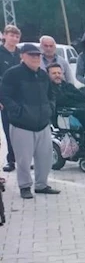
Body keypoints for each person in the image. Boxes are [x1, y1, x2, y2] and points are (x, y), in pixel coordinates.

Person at [0, 44, 59, 199]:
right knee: (23, 159)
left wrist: (49, 109)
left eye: (37, 55)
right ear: (22, 56)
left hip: (42, 123)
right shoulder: (12, 74)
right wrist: (17, 111)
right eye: (31, 55)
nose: (35, 58)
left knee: (45, 157)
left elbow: (51, 94)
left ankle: (41, 185)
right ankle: (25, 186)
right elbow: (4, 95)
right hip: (22, 125)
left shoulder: (43, 75)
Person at [47, 62, 85, 151]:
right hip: (64, 114)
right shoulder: (48, 88)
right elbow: (60, 100)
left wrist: (68, 96)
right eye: (54, 73)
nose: (57, 75)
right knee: (82, 113)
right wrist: (72, 97)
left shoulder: (68, 85)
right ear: (48, 75)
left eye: (59, 73)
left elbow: (83, 97)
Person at [1, 24, 21, 172]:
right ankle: (11, 159)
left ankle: (24, 159)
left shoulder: (21, 54)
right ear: (5, 36)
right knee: (9, 130)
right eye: (11, 35)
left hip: (21, 96)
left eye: (16, 36)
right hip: (5, 97)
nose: (14, 38)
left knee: (23, 129)